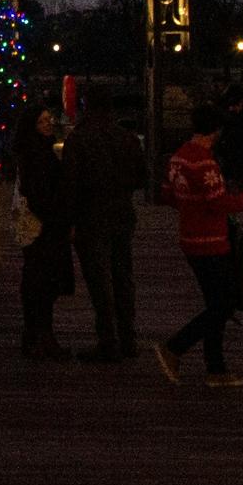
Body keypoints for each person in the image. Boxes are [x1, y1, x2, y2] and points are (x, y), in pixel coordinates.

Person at [155, 118, 243, 387]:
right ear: (216, 132)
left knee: (216, 303)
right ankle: (176, 347)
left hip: (189, 238)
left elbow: (167, 194)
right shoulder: (206, 163)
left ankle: (216, 368)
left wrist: (190, 208)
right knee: (224, 303)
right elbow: (219, 203)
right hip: (211, 241)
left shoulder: (178, 158)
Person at [67, 89, 148, 363]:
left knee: (99, 280)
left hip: (90, 217)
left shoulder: (78, 139)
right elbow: (141, 179)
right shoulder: (128, 139)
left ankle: (108, 339)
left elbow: (71, 183)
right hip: (122, 213)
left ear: (86, 107)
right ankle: (129, 338)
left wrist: (70, 221)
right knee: (123, 276)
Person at [11, 97, 76, 360]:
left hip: (43, 227)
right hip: (43, 229)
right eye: (42, 122)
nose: (48, 125)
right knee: (41, 283)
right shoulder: (36, 155)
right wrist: (58, 219)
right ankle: (40, 337)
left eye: (49, 120)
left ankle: (39, 336)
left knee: (40, 283)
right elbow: (37, 194)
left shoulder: (39, 151)